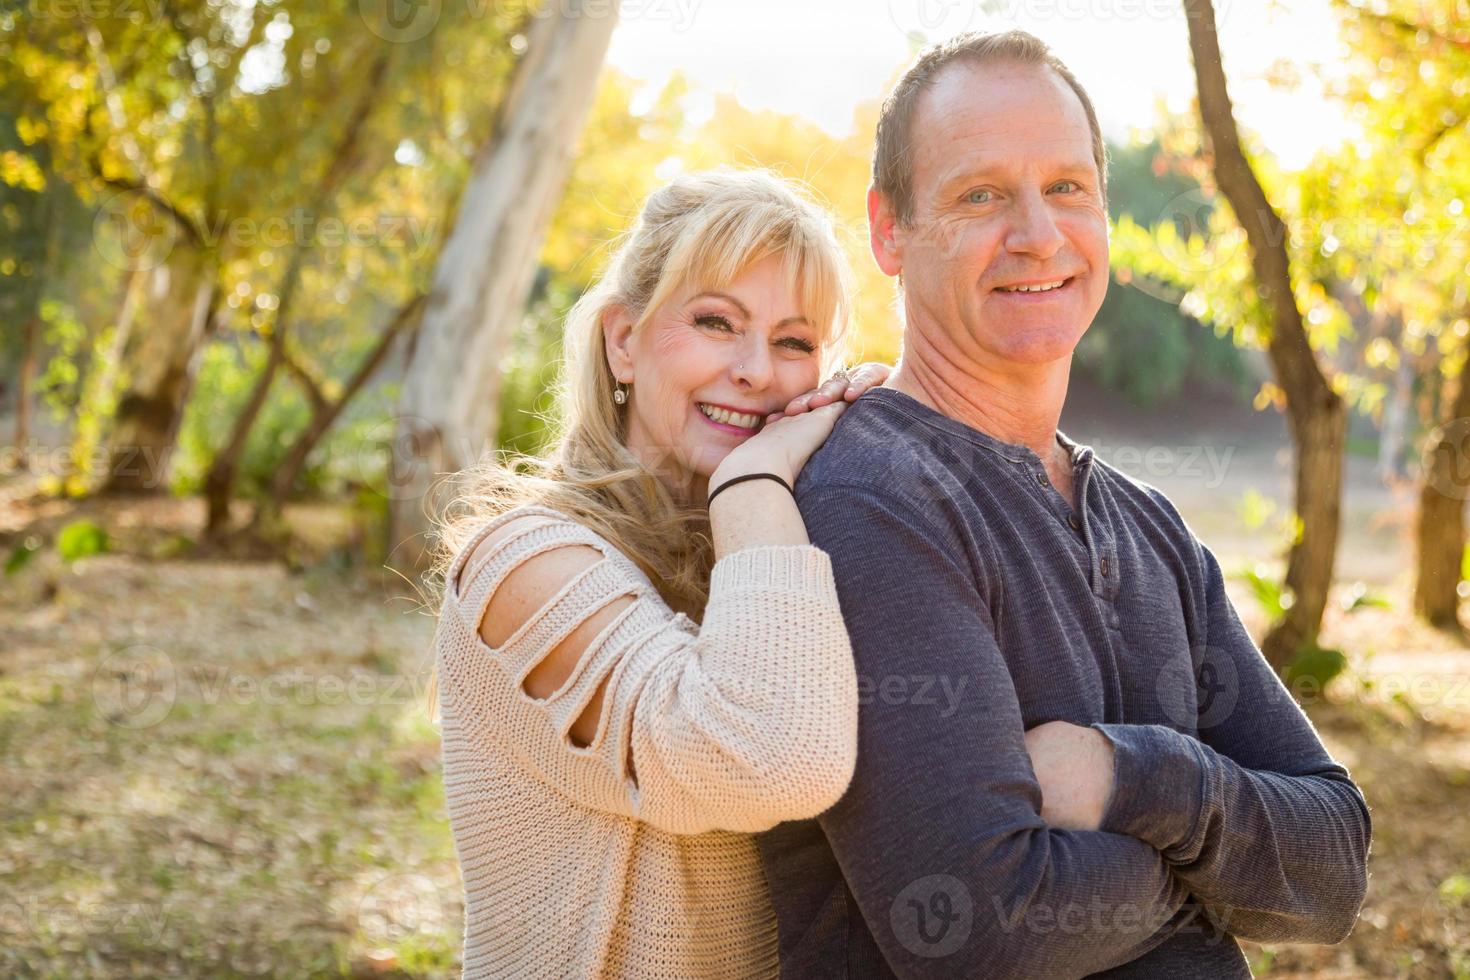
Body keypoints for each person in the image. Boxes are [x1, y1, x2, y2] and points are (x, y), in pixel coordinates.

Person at [757, 30, 1372, 978]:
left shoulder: (1149, 523)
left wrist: (1136, 776)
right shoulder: (872, 500)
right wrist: (1224, 882)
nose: (1038, 234)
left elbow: (1334, 867)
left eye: (1068, 188)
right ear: (890, 230)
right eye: (981, 194)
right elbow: (981, 928)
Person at [430, 168, 888, 979]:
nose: (756, 370)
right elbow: (773, 762)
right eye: (717, 322)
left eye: (794, 341)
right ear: (623, 341)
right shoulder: (522, 565)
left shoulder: (780, 554)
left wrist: (882, 451)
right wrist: (757, 480)